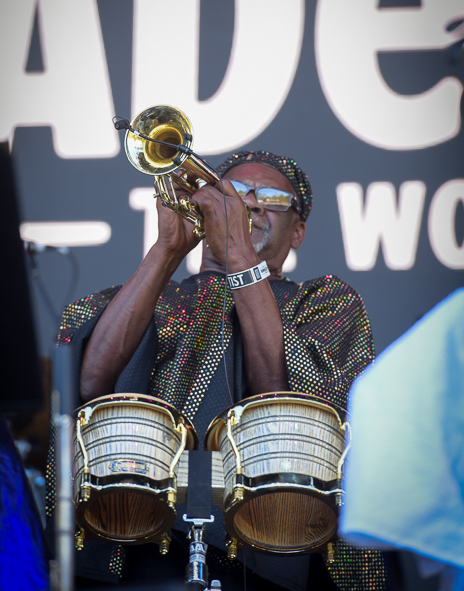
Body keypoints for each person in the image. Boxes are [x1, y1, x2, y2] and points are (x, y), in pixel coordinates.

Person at [46, 150, 392, 591]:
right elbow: (89, 383)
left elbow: (284, 409)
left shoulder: (324, 302)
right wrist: (167, 250)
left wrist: (240, 256)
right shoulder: (147, 295)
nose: (251, 204)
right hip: (136, 536)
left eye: (272, 198)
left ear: (298, 231)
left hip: (274, 538)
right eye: (234, 194)